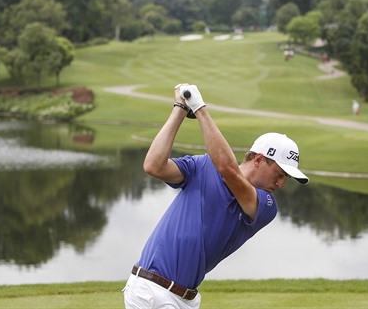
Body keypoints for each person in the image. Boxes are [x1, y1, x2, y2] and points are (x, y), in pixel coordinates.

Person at [123, 84, 309, 309]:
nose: (280, 184)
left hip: (186, 299)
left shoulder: (266, 206)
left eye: (286, 179)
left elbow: (228, 170)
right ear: (259, 160)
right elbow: (154, 165)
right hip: (150, 292)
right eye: (279, 174)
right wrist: (180, 108)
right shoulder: (201, 166)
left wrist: (199, 108)